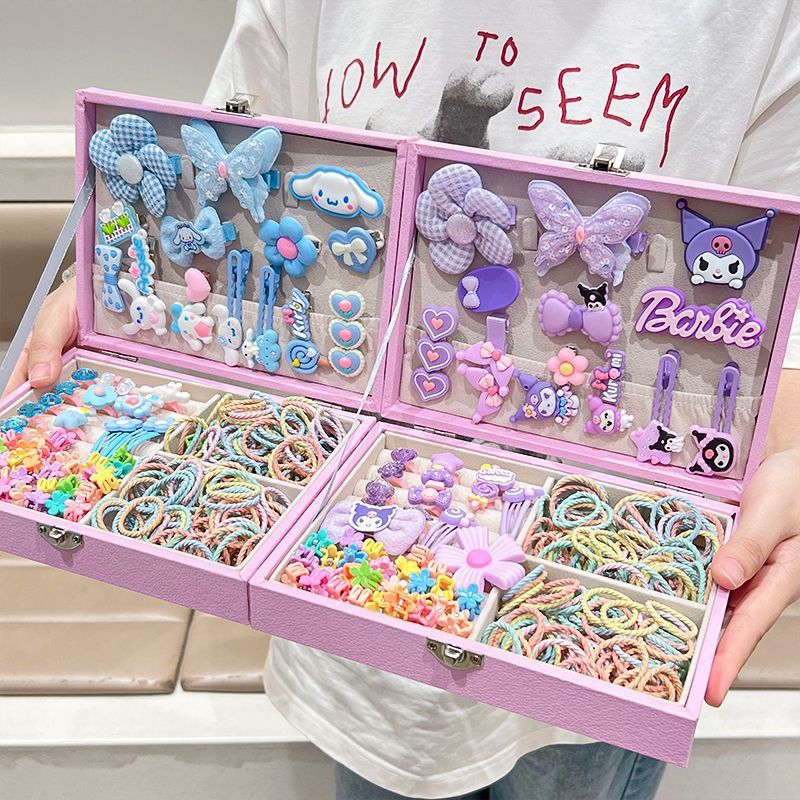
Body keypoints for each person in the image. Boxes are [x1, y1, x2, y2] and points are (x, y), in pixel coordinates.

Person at [8, 2, 800, 798]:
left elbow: (778, 311)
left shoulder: (764, 22)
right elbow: (213, 186)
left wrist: (789, 455)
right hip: (357, 650)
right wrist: (118, 285)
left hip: (592, 682)